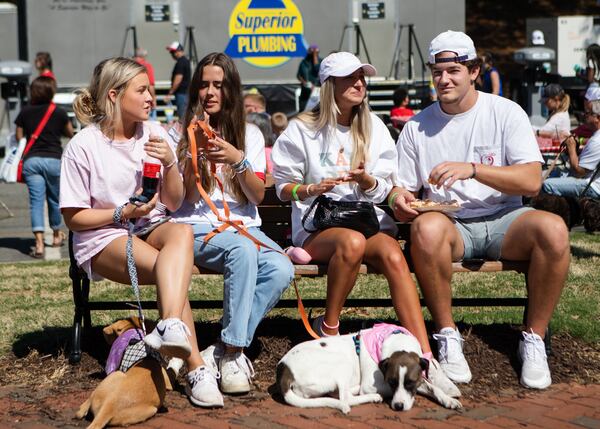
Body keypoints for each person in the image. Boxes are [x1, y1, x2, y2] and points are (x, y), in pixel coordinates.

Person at [271, 51, 459, 395]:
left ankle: (425, 357)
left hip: (364, 221)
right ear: (330, 85)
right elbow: (283, 187)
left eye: (362, 78)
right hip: (318, 228)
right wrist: (310, 187)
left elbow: (388, 188)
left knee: (391, 252)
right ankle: (328, 330)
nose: (359, 84)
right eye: (350, 78)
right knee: (353, 244)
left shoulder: (372, 128)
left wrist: (367, 182)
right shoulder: (303, 129)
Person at [391, 30, 569, 390]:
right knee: (425, 228)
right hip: (452, 224)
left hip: (506, 219)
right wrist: (400, 199)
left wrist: (473, 168)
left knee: (553, 229)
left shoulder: (505, 111)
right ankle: (447, 335)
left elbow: (532, 181)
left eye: (454, 70)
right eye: (438, 72)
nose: (444, 79)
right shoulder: (416, 127)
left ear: (474, 71)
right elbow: (404, 188)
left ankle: (533, 339)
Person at [60, 57, 224, 408]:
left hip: (151, 224)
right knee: (172, 274)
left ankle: (169, 328)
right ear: (115, 95)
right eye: (142, 90)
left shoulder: (154, 133)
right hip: (104, 235)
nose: (151, 96)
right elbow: (74, 218)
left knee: (180, 233)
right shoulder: (84, 146)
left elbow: (174, 201)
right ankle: (195, 367)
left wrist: (169, 162)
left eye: (150, 89)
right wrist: (122, 212)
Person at [173, 52, 294, 395]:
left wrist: (238, 160)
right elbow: (176, 200)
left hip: (244, 227)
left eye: (219, 85)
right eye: (204, 85)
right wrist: (189, 158)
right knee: (241, 251)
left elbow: (256, 197)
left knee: (281, 268)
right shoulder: (178, 132)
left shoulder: (250, 133)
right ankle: (236, 356)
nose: (210, 92)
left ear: (231, 90)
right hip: (195, 227)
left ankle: (223, 348)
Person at [15, 76, 73, 257]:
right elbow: (70, 132)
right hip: (54, 160)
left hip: (32, 161)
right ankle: (56, 235)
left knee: (36, 202)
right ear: (51, 91)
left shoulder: (25, 112)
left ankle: (39, 244)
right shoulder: (59, 112)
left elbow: (19, 137)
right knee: (55, 199)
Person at [541, 97, 600, 199]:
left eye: (587, 113)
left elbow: (579, 172)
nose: (584, 116)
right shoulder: (596, 137)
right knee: (556, 173)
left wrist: (572, 148)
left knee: (546, 184)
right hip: (589, 180)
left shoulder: (596, 140)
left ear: (598, 118)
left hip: (592, 186)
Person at [165, 42, 191, 120]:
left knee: (182, 118)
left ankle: (184, 132)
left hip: (182, 94)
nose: (171, 54)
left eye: (173, 52)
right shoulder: (185, 61)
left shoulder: (181, 62)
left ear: (179, 51)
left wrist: (170, 93)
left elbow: (178, 79)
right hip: (185, 93)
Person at [133, 47, 157, 121]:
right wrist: (154, 99)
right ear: (144, 56)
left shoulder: (130, 65)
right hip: (144, 96)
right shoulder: (147, 66)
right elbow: (151, 84)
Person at [297, 44, 321, 111]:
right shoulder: (304, 62)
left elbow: (317, 69)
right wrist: (305, 83)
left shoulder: (321, 61)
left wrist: (315, 56)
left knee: (316, 111)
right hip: (305, 92)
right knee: (303, 110)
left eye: (315, 52)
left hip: (317, 91)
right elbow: (299, 75)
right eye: (311, 51)